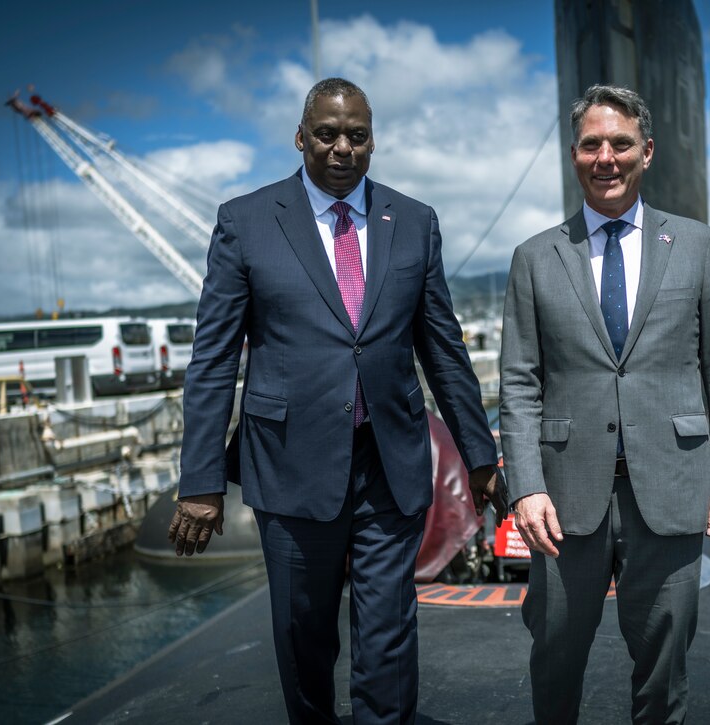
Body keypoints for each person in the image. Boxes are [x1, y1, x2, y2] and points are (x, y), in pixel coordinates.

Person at [167, 77, 506, 724]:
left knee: (387, 638)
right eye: (327, 133)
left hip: (389, 461)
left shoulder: (413, 220)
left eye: (357, 135)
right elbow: (211, 361)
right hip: (289, 466)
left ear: (373, 140)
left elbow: (443, 348)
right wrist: (200, 481)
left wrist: (480, 456)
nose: (342, 147)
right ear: (301, 137)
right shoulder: (246, 222)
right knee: (305, 637)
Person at [499, 84, 710, 724]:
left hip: (671, 487)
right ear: (573, 154)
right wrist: (524, 487)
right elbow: (520, 383)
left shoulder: (697, 245)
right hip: (563, 499)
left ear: (647, 152)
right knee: (554, 654)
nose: (605, 157)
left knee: (665, 662)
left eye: (620, 143)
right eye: (591, 144)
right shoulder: (534, 258)